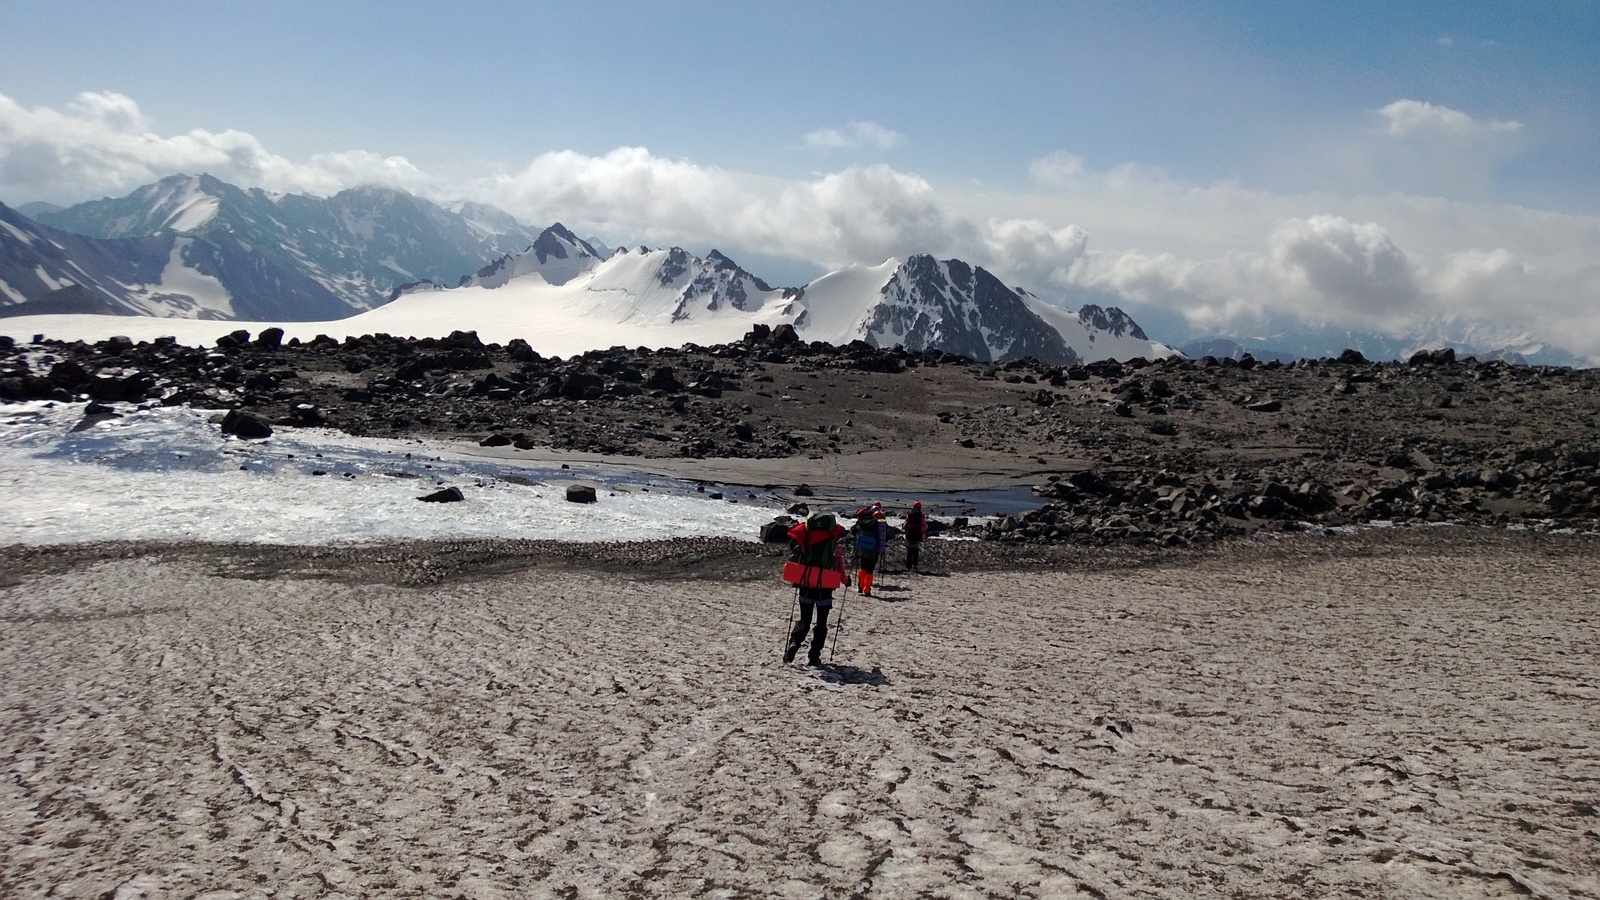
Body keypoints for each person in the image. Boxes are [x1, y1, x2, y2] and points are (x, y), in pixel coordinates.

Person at [784, 511, 848, 666]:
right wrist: (846, 581)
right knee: (821, 623)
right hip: (825, 588)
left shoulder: (805, 538)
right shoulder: (833, 544)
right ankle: (814, 656)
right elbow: (839, 569)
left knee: (804, 619)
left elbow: (793, 548)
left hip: (806, 584)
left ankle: (794, 643)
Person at [853, 505, 888, 596]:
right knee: (870, 570)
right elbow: (883, 538)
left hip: (862, 548)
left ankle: (860, 586)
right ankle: (867, 589)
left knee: (862, 567)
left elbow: (855, 531)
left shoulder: (864, 523)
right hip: (873, 550)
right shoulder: (879, 525)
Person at [904, 500, 927, 572]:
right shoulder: (921, 515)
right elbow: (924, 526)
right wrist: (923, 535)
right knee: (916, 550)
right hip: (917, 535)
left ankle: (908, 566)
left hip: (909, 535)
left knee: (909, 551)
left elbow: (905, 525)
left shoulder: (910, 514)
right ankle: (915, 565)